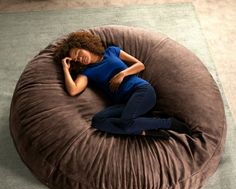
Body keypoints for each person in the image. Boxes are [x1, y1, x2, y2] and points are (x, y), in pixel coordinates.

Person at [54, 31, 192, 138]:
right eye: (76, 59)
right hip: (125, 105)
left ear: (85, 45)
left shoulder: (112, 51)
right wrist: (65, 69)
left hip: (142, 91)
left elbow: (140, 65)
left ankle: (168, 123)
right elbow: (73, 90)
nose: (80, 58)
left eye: (78, 53)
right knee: (98, 121)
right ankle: (142, 131)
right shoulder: (87, 72)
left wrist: (122, 74)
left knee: (126, 123)